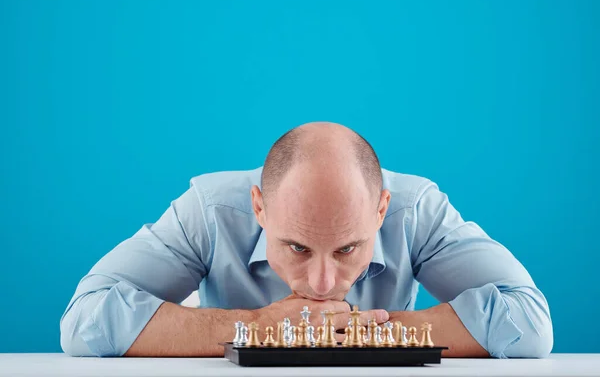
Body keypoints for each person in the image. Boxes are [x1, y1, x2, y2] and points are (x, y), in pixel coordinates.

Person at [60, 122, 553, 358]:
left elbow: (530, 323)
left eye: (348, 250)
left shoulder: (415, 210)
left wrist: (364, 332)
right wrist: (254, 326)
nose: (322, 283)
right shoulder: (207, 211)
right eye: (297, 247)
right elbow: (83, 320)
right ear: (258, 207)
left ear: (381, 210)